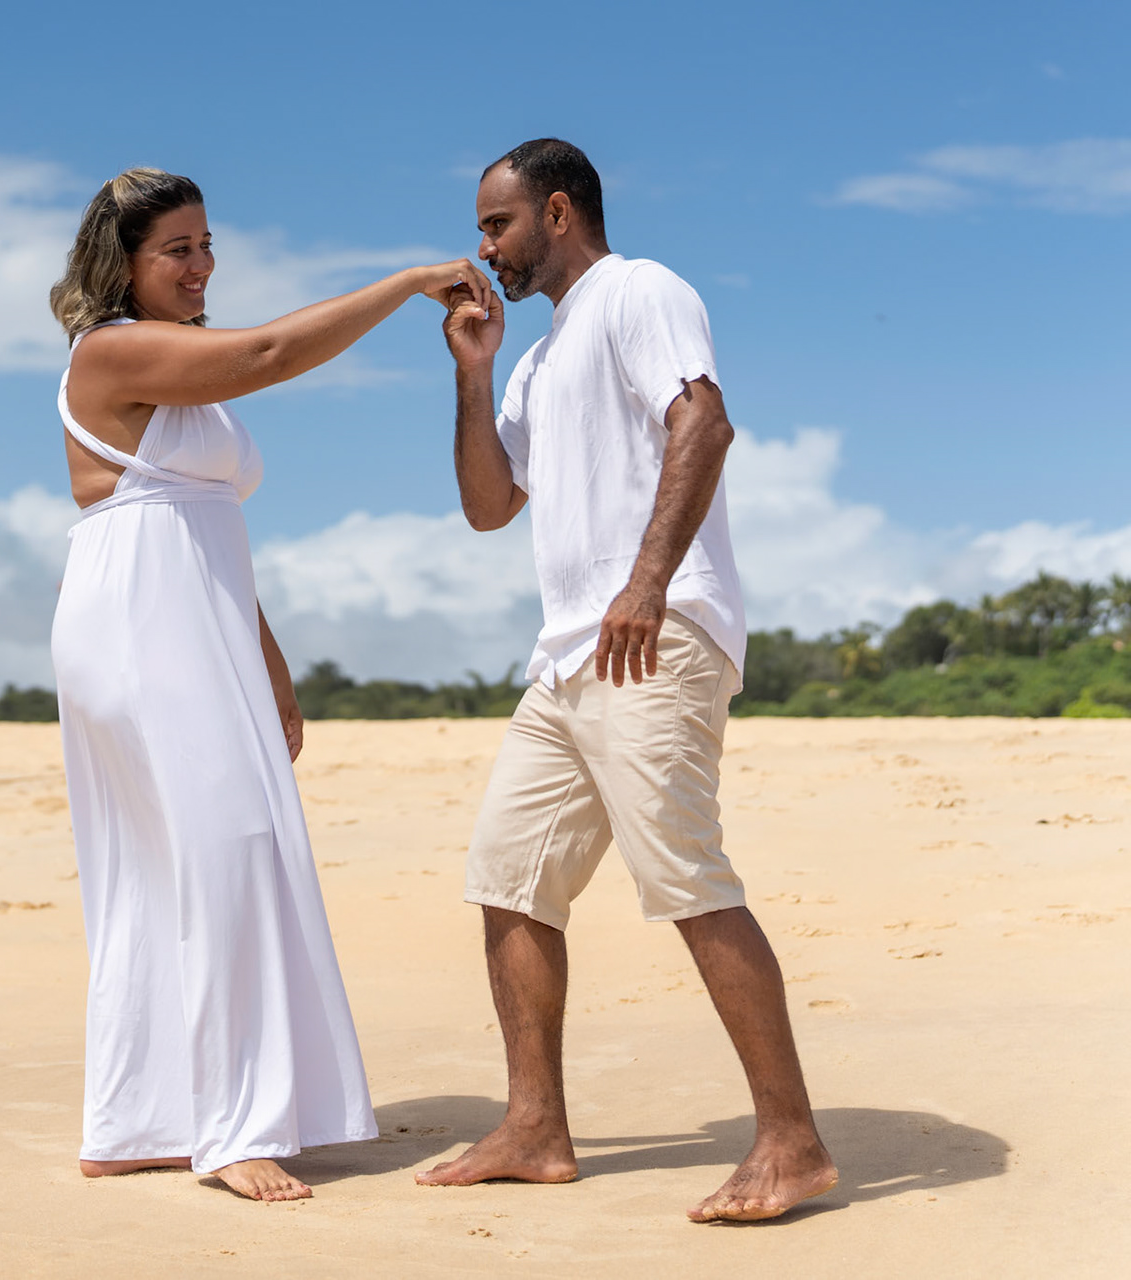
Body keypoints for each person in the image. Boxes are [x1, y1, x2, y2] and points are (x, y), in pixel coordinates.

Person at [414, 139, 839, 1222]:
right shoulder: (537, 361)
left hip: (653, 632)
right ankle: (534, 1126)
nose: (484, 247)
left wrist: (647, 583)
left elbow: (704, 417)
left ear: (558, 211)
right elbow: (488, 503)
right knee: (509, 876)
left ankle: (792, 1142)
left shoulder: (637, 291)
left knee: (686, 873)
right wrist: (472, 368)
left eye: (497, 224)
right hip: (563, 656)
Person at [48, 168, 490, 1202]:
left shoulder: (169, 358)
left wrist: (269, 658)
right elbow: (268, 353)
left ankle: (140, 1116)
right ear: (124, 266)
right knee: (227, 846)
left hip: (194, 608)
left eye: (208, 245)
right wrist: (407, 283)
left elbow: (198, 513)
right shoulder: (112, 350)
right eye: (179, 251)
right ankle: (233, 1127)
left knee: (180, 862)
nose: (203, 267)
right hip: (137, 617)